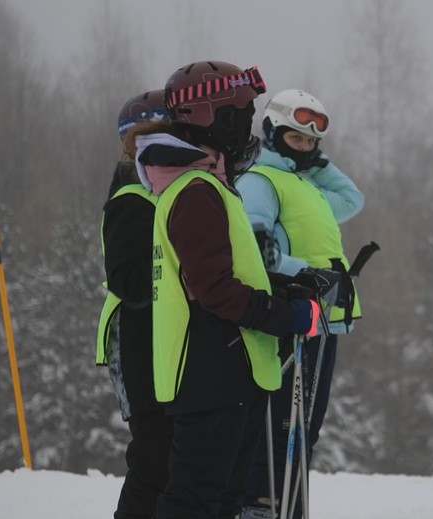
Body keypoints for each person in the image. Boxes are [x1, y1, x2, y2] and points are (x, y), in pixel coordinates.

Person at [124, 60, 320, 519]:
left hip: (232, 369)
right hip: (210, 371)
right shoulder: (195, 190)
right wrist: (288, 316)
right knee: (196, 498)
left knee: (222, 499)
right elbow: (214, 289)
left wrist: (285, 288)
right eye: (240, 115)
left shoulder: (209, 185)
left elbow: (227, 273)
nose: (246, 126)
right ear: (210, 117)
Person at [236, 89, 364, 518]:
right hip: (290, 315)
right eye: (296, 139)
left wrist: (317, 164)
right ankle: (260, 504)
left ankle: (288, 506)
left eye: (312, 142)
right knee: (281, 426)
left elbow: (352, 200)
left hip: (322, 320)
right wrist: (303, 272)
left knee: (306, 427)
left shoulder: (303, 185)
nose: (306, 147)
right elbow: (255, 243)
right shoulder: (261, 181)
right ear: (272, 135)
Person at [96, 89, 172, 519]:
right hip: (136, 334)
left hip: (162, 334)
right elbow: (129, 280)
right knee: (153, 452)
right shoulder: (131, 194)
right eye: (141, 138)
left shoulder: (162, 188)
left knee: (171, 451)